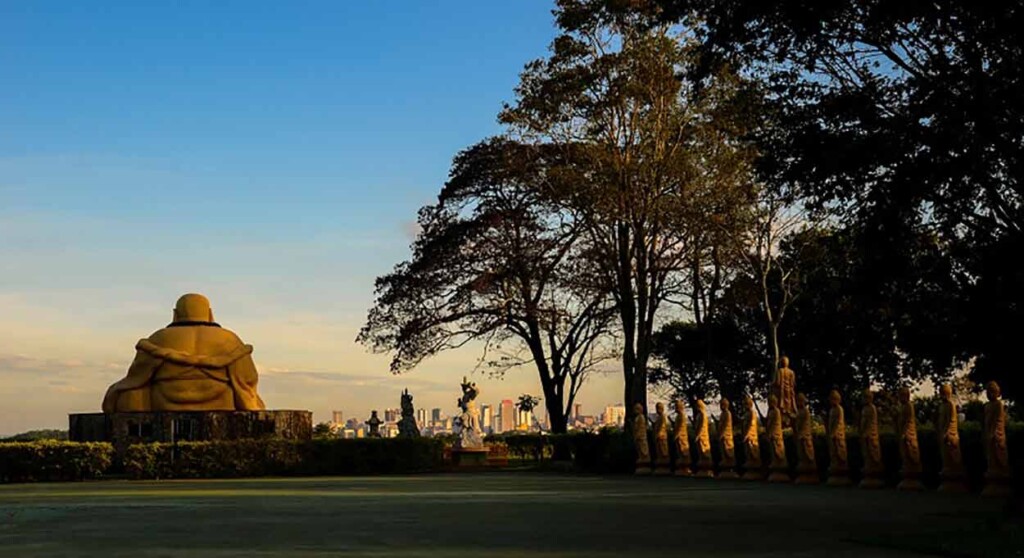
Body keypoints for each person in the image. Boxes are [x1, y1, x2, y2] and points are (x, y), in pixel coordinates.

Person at [103, 293, 265, 412]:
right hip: (220, 402)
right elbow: (247, 380)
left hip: (166, 403)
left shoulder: (159, 338)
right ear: (209, 314)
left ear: (176, 314)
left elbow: (136, 378)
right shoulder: (229, 339)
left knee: (129, 395)